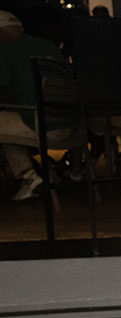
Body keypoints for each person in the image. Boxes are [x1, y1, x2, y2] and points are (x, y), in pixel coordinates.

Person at [0, 10, 64, 201]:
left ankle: (29, 175)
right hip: (69, 123)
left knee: (4, 124)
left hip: (39, 122)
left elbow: (2, 92)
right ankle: (45, 175)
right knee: (9, 123)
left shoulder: (6, 50)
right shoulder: (49, 46)